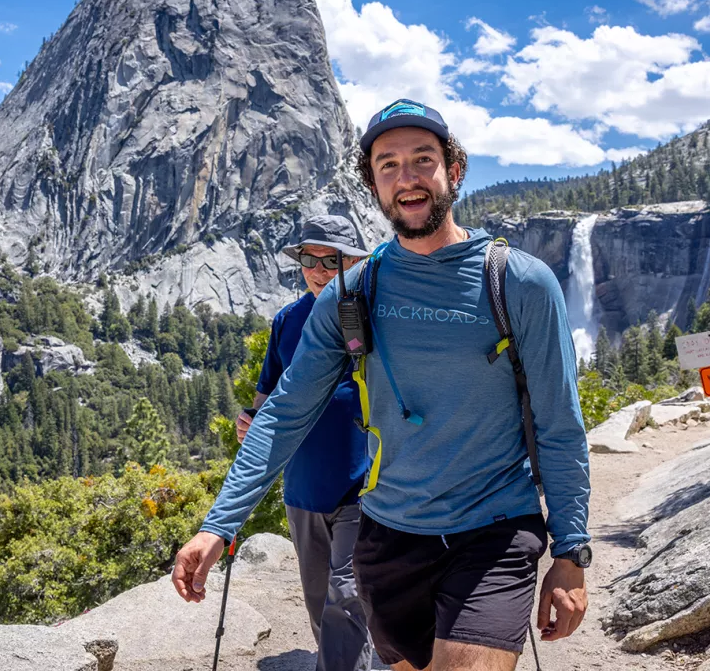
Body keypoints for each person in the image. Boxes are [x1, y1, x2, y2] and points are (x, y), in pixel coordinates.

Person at [174, 99, 592, 671]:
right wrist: (219, 525)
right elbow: (284, 412)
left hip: (494, 532)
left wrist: (570, 552)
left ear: (455, 169)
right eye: (388, 164)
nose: (407, 177)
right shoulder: (351, 293)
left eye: (423, 159)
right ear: (371, 183)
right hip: (388, 537)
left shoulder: (519, 282)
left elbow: (559, 424)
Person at [236, 214, 373, 671]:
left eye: (328, 260)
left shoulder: (376, 316)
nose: (316, 270)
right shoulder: (287, 320)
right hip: (302, 489)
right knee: (318, 593)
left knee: (347, 592)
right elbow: (266, 396)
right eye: (308, 260)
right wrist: (251, 421)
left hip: (366, 485)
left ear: (353, 262)